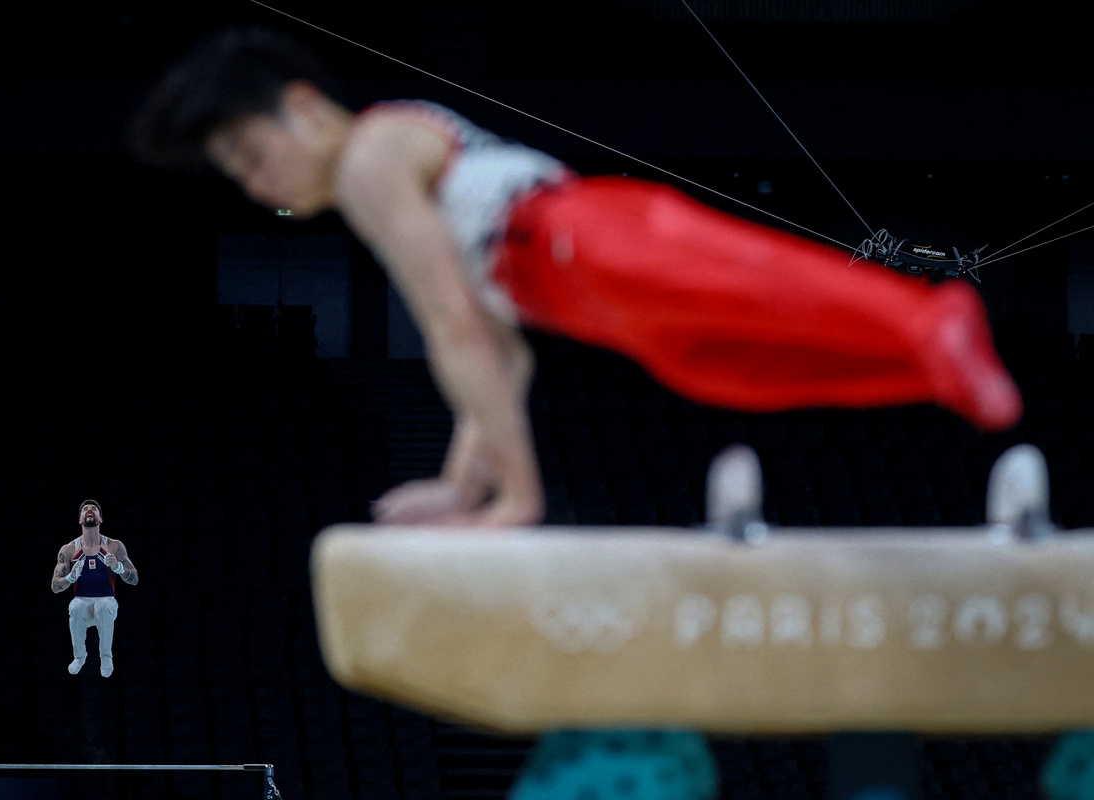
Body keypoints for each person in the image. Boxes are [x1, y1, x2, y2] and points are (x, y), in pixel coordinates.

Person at [131, 27, 1022, 527]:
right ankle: (931, 365)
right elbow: (503, 360)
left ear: (303, 105)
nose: (255, 185)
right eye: (234, 174)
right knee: (740, 370)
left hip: (575, 238)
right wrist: (464, 481)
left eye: (252, 153)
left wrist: (515, 497)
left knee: (764, 290)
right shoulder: (383, 161)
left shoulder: (369, 157)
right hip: (575, 288)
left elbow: (456, 331)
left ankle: (927, 315)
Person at [51, 500, 138, 677]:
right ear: (79, 519)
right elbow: (55, 586)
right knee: (75, 606)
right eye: (85, 509)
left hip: (106, 603)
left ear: (101, 519)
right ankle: (80, 656)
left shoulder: (114, 546)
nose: (89, 510)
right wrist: (70, 577)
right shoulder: (68, 550)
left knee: (103, 605)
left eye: (94, 509)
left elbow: (134, 579)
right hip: (82, 603)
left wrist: (119, 568)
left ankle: (106, 657)